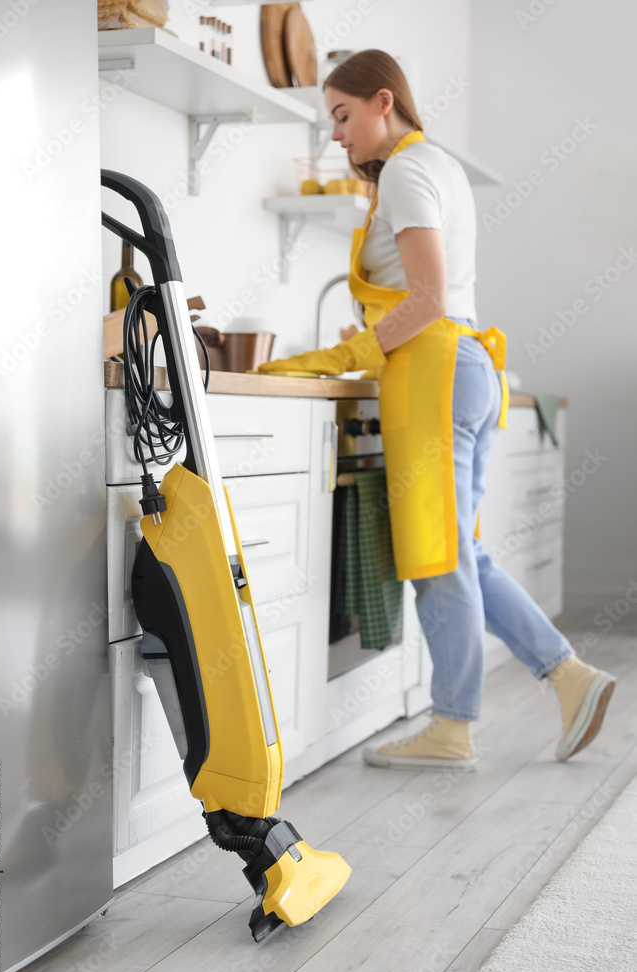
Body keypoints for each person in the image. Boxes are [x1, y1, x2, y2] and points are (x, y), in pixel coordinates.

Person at [258, 50, 616, 772]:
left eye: (342, 114)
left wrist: (348, 353)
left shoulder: (408, 172)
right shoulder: (436, 167)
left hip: (435, 374)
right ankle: (568, 675)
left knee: (436, 556)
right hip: (462, 369)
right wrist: (366, 343)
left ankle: (451, 726)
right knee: (458, 550)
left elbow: (425, 299)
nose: (336, 133)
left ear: (382, 101)